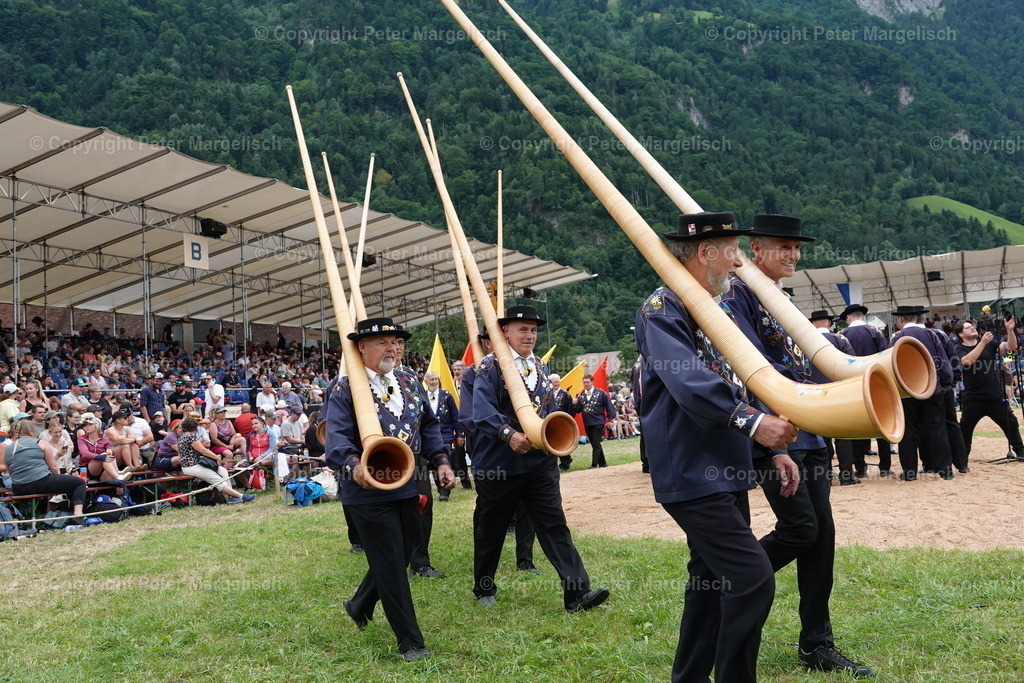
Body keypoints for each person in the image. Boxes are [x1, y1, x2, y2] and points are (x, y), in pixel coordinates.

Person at [636, 211, 799, 683]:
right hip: (689, 469)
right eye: (732, 250)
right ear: (706, 253)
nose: (739, 261)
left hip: (726, 465)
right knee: (751, 579)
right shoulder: (662, 307)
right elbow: (688, 382)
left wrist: (775, 449)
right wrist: (754, 424)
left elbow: (748, 378)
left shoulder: (716, 307)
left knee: (708, 583)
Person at [722, 213, 872, 677]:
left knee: (821, 538)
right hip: (775, 435)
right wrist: (777, 448)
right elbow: (753, 372)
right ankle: (730, 587)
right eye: (782, 246)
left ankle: (816, 644)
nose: (792, 255)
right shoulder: (735, 299)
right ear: (756, 251)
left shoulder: (777, 298)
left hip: (808, 432)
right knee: (802, 530)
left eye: (796, 248)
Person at [324, 317, 456, 662]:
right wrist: (354, 467)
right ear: (361, 348)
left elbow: (428, 424)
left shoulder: (410, 380)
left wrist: (441, 459)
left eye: (397, 341)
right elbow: (336, 439)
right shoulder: (344, 387)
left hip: (409, 483)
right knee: (391, 565)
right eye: (383, 342)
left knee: (401, 553)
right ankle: (411, 642)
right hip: (366, 489)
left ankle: (359, 605)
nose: (393, 348)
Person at [471, 305, 608, 612]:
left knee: (554, 524)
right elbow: (480, 411)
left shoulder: (540, 366)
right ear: (505, 331)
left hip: (539, 463)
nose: (530, 336)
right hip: (500, 465)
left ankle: (577, 593)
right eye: (522, 329)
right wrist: (508, 433)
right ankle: (484, 585)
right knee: (491, 528)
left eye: (533, 330)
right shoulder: (489, 367)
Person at [890, 306, 954, 480]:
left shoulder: (897, 337)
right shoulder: (932, 335)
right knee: (936, 428)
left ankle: (910, 472)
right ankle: (945, 470)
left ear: (902, 320)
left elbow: (890, 364)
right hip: (933, 387)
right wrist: (946, 381)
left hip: (907, 390)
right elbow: (942, 360)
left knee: (909, 430)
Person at [955, 317, 1024, 460]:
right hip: (973, 397)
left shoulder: (990, 344)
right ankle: (962, 458)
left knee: (1010, 423)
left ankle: (1020, 451)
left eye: (973, 326)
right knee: (965, 429)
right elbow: (967, 361)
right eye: (968, 327)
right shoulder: (959, 349)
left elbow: (1011, 347)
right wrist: (982, 343)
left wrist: (1010, 330)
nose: (973, 328)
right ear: (961, 334)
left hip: (995, 395)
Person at [837, 304, 893, 477]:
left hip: (854, 385)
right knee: (881, 424)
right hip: (875, 383)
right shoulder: (875, 332)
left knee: (857, 426)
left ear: (848, 317)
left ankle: (860, 467)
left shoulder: (842, 335)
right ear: (862, 316)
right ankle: (885, 467)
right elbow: (885, 356)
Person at [807, 310, 861, 485]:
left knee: (822, 437)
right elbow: (852, 363)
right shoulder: (840, 339)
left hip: (814, 393)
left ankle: (826, 475)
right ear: (830, 323)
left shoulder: (803, 340)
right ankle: (846, 475)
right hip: (839, 392)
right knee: (843, 436)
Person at [0, 419, 86, 522]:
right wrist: (58, 478)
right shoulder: (40, 443)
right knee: (79, 482)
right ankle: (78, 514)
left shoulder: (8, 448)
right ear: (31, 429)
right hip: (40, 482)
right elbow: (53, 466)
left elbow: (10, 473)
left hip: (18, 487)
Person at [176, 417, 254, 503]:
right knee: (217, 479)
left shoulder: (184, 436)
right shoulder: (189, 436)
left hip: (196, 465)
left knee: (223, 470)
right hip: (191, 467)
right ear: (195, 427)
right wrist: (216, 457)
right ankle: (241, 496)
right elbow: (203, 450)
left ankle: (232, 497)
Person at [423, 370, 463, 501]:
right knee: (434, 463)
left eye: (436, 379)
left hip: (445, 435)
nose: (434, 382)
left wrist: (459, 434)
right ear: (426, 382)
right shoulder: (421, 396)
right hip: (430, 437)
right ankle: (440, 487)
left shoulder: (446, 395)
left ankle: (445, 492)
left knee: (445, 462)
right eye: (431, 380)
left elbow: (455, 416)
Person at [572, 374, 616, 468]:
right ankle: (603, 463)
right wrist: (575, 404)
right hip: (587, 422)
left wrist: (611, 419)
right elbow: (578, 410)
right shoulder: (580, 395)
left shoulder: (601, 393)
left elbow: (609, 406)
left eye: (587, 382)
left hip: (598, 421)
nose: (585, 384)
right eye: (584, 382)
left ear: (592, 382)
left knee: (596, 443)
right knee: (594, 443)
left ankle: (594, 464)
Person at [78, 414, 134, 482]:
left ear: (97, 425)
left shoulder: (104, 438)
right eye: (85, 425)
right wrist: (101, 457)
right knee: (104, 456)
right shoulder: (81, 439)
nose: (87, 427)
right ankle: (118, 476)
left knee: (109, 455)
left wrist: (109, 450)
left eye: (90, 424)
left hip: (104, 467)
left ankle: (118, 476)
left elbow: (108, 447)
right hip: (87, 468)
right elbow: (85, 453)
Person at [548, 374, 574, 471]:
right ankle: (554, 464)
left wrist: (568, 422)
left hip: (562, 423)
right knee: (552, 443)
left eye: (558, 382)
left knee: (561, 443)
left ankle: (565, 463)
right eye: (554, 382)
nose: (556, 384)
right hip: (550, 422)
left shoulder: (565, 394)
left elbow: (570, 410)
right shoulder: (547, 393)